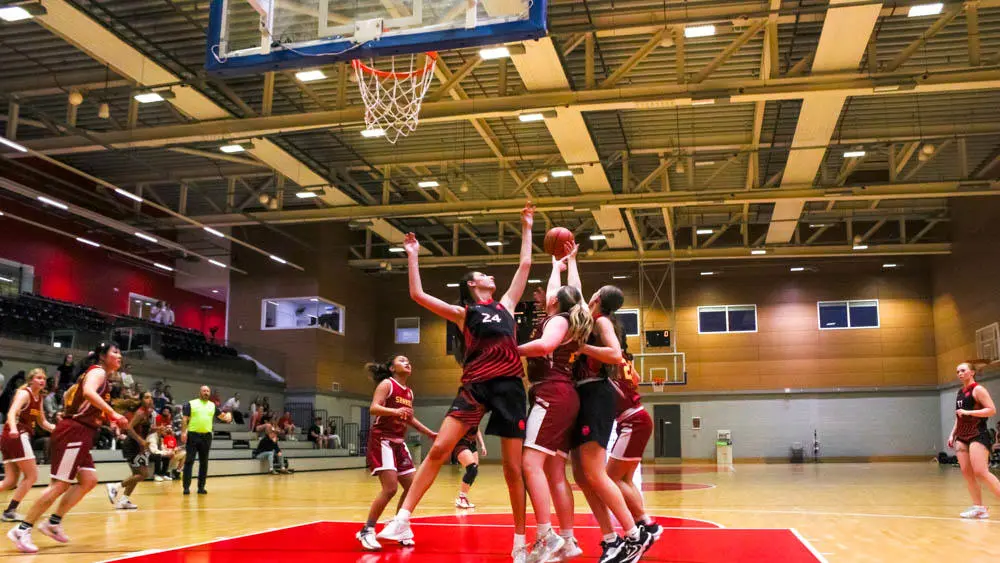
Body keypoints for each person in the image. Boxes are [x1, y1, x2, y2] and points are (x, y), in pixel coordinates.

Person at [378, 203, 534, 562]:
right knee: (437, 450)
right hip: (475, 386)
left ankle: (520, 541)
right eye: (483, 275)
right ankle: (403, 519)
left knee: (513, 469)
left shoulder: (507, 306)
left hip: (509, 386)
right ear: (471, 284)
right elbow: (418, 296)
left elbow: (524, 265)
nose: (491, 278)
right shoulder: (466, 313)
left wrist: (527, 227)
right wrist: (413, 256)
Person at [566, 255, 651, 562]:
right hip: (581, 396)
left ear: (598, 298)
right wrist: (570, 261)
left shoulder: (600, 321)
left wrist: (582, 348)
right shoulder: (586, 317)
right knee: (581, 476)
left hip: (596, 394)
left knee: (595, 473)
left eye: (592, 294)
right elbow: (574, 291)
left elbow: (615, 354)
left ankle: (632, 537)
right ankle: (610, 538)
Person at [7, 342, 128, 554]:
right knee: (59, 485)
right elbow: (89, 393)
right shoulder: (97, 372)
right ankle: (22, 529)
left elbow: (79, 399)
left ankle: (53, 522)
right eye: (115, 352)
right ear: (102, 356)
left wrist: (108, 420)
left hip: (83, 431)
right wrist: (113, 413)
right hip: (74, 431)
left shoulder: (100, 376)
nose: (120, 356)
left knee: (89, 480)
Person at [516, 253, 592, 563]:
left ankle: (546, 536)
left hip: (552, 394)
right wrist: (559, 266)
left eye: (551, 296)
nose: (545, 297)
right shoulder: (569, 317)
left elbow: (545, 347)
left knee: (530, 464)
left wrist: (510, 350)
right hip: (564, 396)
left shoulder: (558, 321)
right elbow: (568, 293)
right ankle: (569, 540)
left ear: (556, 303)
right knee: (555, 472)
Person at [357, 355, 437, 551]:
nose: (407, 362)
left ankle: (398, 526)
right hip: (382, 439)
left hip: (399, 443)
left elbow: (408, 417)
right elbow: (374, 408)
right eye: (402, 360)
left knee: (412, 487)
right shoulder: (387, 384)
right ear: (392, 368)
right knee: (390, 488)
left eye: (409, 360)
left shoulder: (409, 392)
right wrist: (395, 411)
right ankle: (367, 530)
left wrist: (429, 433)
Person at [603, 323, 662, 554]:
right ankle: (647, 524)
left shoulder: (608, 361)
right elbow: (636, 379)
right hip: (636, 418)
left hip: (632, 421)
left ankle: (645, 524)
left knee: (611, 478)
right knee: (624, 479)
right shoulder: (624, 359)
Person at [0, 369, 55, 522]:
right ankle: (10, 511)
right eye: (38, 378)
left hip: (12, 437)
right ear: (31, 380)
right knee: (32, 476)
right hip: (16, 435)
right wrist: (12, 428)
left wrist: (59, 429)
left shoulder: (39, 398)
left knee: (10, 481)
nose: (42, 380)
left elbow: (42, 422)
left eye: (44, 378)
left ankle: (9, 511)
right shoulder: (25, 393)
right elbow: (11, 413)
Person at [948, 361, 1000, 518]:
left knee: (981, 472)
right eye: (957, 371)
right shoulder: (960, 392)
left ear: (972, 373)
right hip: (961, 436)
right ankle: (979, 507)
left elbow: (991, 410)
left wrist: (969, 412)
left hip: (978, 434)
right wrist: (952, 433)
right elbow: (959, 415)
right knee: (967, 473)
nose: (960, 373)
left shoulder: (978, 390)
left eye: (963, 370)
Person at [106, 392, 155, 510]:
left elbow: (142, 429)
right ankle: (115, 486)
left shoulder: (148, 413)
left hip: (138, 446)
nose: (149, 399)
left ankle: (123, 500)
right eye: (146, 397)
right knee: (143, 474)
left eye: (150, 397)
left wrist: (157, 429)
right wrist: (141, 441)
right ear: (142, 400)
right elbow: (129, 428)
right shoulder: (140, 412)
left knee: (136, 475)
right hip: (133, 446)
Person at [181, 386, 233, 495]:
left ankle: (201, 487)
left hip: (206, 436)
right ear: (200, 392)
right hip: (193, 435)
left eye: (208, 391)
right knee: (189, 461)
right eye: (204, 391)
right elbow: (184, 419)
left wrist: (229, 416)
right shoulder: (192, 403)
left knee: (204, 463)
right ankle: (186, 487)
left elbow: (223, 417)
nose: (206, 392)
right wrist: (183, 432)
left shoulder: (212, 405)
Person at [453, 426, 486, 509]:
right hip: (461, 443)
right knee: (472, 468)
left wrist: (482, 445)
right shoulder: (461, 414)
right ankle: (462, 498)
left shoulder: (476, 415)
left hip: (472, 444)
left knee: (474, 471)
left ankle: (463, 497)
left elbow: (477, 430)